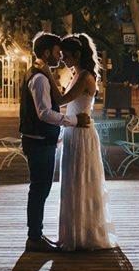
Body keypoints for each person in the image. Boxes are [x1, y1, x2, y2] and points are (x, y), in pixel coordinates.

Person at [38, 33, 116, 252]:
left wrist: (47, 73)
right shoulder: (77, 74)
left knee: (81, 181)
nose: (62, 59)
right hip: (73, 131)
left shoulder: (84, 77)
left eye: (65, 55)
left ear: (78, 54)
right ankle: (72, 233)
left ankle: (84, 234)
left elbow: (61, 100)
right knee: (72, 182)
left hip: (82, 134)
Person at [19, 32, 90, 253]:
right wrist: (74, 120)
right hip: (38, 141)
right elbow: (44, 113)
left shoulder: (39, 74)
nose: (60, 57)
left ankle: (36, 235)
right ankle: (34, 237)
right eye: (57, 52)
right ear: (47, 52)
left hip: (42, 140)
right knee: (39, 189)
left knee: (41, 189)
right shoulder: (40, 78)